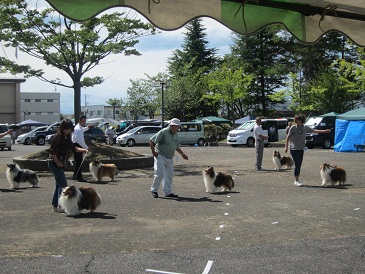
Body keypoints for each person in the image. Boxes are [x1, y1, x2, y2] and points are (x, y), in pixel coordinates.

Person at [48, 119, 88, 212]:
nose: (69, 131)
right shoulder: (58, 136)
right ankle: (60, 205)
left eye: (70, 129)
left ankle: (55, 206)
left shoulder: (68, 136)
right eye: (68, 129)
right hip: (54, 163)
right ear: (64, 128)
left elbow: (73, 148)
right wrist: (57, 161)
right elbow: (51, 150)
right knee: (63, 184)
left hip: (61, 163)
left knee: (59, 184)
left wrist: (83, 150)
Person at [285, 114, 330, 187]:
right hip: (294, 148)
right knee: (297, 164)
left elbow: (314, 130)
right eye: (296, 120)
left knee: (299, 165)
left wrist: (324, 131)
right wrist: (286, 146)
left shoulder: (305, 127)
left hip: (301, 149)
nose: (297, 121)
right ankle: (296, 181)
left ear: (301, 120)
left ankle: (297, 179)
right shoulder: (293, 128)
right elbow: (288, 137)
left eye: (298, 120)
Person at [149, 118, 188, 198]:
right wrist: (153, 152)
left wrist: (183, 154)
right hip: (160, 156)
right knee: (160, 174)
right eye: (177, 127)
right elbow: (152, 141)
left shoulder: (176, 134)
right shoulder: (163, 132)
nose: (178, 128)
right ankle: (154, 190)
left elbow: (177, 147)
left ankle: (168, 192)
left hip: (170, 158)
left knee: (169, 175)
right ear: (172, 126)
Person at [72, 115, 91, 182]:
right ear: (79, 121)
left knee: (78, 162)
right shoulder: (78, 129)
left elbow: (83, 130)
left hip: (76, 145)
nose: (84, 122)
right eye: (83, 121)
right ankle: (78, 176)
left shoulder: (78, 127)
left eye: (85, 121)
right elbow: (80, 140)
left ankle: (75, 175)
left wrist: (87, 128)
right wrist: (86, 147)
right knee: (79, 162)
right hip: (78, 145)